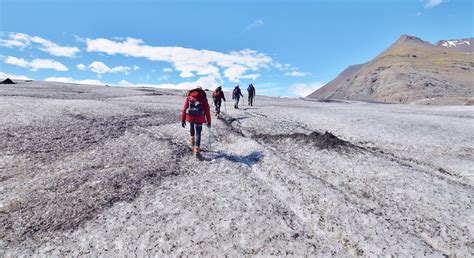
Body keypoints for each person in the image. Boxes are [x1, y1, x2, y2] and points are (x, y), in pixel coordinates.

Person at [181, 87, 211, 154]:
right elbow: (207, 111)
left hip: (191, 116)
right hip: (200, 118)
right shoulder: (203, 98)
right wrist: (209, 121)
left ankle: (192, 140)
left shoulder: (189, 97)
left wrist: (183, 120)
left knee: (192, 126)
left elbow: (184, 109)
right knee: (198, 132)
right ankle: (197, 148)